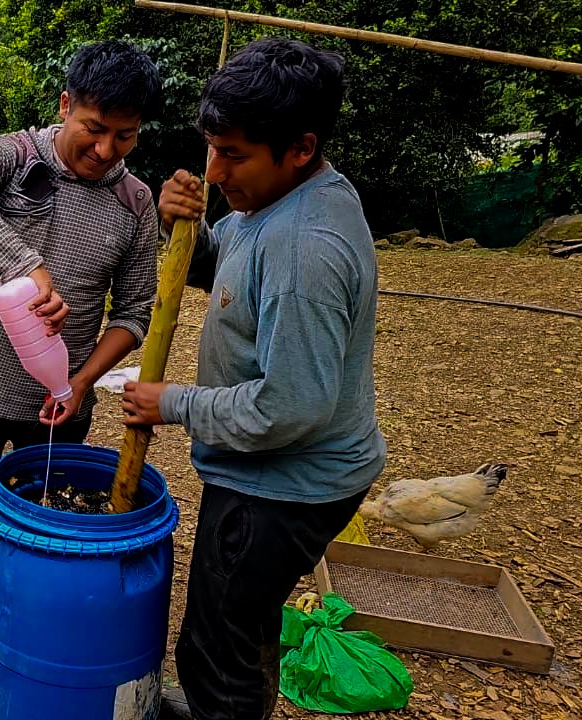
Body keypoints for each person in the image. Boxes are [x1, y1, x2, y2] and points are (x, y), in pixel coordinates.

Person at [120, 38, 386, 720]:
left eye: (233, 155)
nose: (214, 171)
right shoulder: (284, 198)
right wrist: (187, 231)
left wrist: (172, 402)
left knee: (217, 645)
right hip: (275, 471)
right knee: (240, 622)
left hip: (284, 485)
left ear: (300, 148)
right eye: (211, 149)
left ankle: (222, 708)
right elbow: (235, 273)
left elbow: (288, 408)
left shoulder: (306, 251)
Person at [0, 40, 163, 716]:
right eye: (94, 128)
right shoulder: (12, 156)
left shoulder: (135, 204)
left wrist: (81, 382)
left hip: (59, 404)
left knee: (50, 527)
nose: (105, 149)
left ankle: (24, 641)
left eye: (125, 136)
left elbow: (134, 312)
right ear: (66, 104)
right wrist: (24, 265)